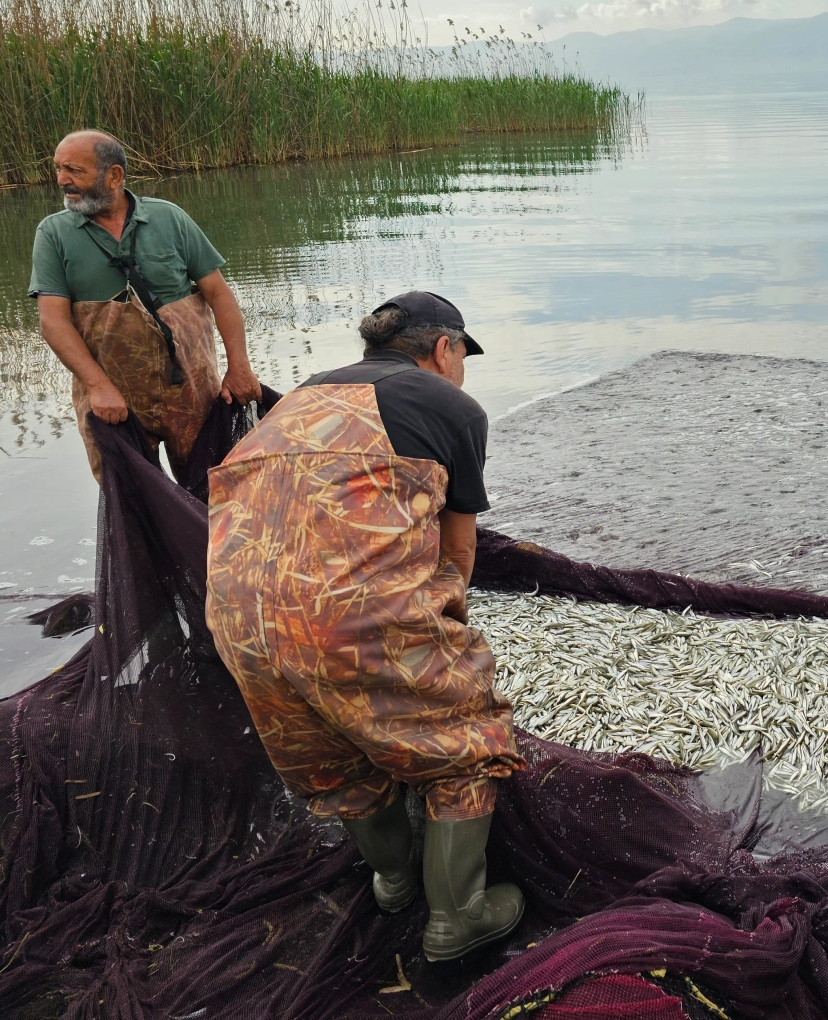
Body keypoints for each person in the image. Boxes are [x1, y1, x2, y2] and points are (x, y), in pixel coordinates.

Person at [204, 291, 526, 962]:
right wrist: (443, 659)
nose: (464, 368)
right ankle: (457, 917)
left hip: (238, 619)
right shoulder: (452, 407)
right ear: (445, 349)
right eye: (463, 355)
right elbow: (457, 553)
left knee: (336, 763)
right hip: (347, 616)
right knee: (464, 744)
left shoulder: (295, 402)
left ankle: (392, 881)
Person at [29, 129, 261, 480]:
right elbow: (53, 322)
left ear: (115, 175)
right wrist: (98, 387)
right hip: (113, 404)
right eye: (59, 168)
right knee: (135, 512)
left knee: (218, 494)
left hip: (192, 395)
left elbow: (219, 294)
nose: (62, 180)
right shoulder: (53, 234)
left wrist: (239, 366)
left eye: (74, 170)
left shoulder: (169, 218)